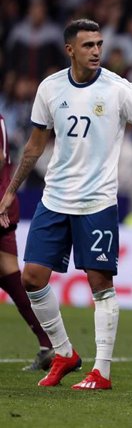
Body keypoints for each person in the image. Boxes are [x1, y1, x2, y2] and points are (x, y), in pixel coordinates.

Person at [0, 19, 132, 390]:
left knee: (100, 284)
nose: (96, 51)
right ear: (70, 50)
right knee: (32, 277)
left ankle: (102, 372)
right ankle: (64, 352)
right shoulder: (50, 87)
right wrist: (12, 190)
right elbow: (34, 145)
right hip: (55, 198)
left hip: (97, 202)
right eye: (88, 45)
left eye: (99, 44)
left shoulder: (119, 89)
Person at [0, 113, 54, 372]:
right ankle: (51, 344)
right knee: (9, 273)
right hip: (4, 206)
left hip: (1, 204)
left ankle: (53, 344)